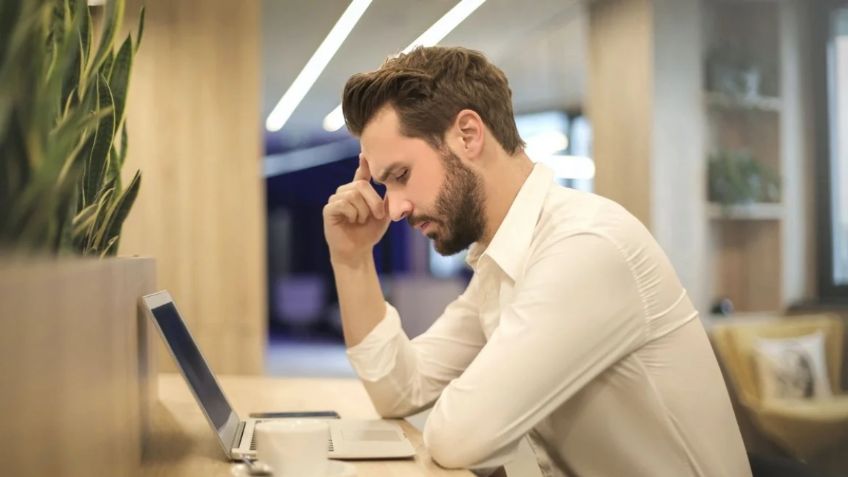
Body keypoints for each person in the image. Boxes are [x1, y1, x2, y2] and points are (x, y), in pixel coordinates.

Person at [322, 46, 751, 477]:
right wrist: (353, 259)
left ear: (468, 135)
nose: (393, 207)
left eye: (401, 176)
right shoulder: (503, 261)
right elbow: (401, 391)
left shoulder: (585, 246)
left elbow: (461, 438)